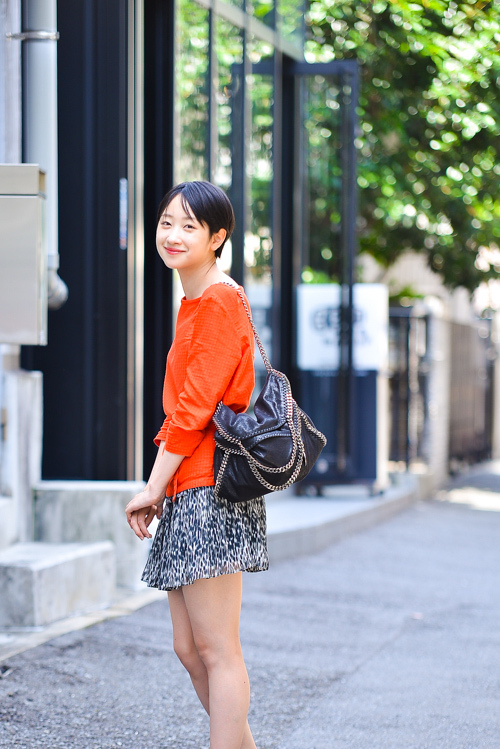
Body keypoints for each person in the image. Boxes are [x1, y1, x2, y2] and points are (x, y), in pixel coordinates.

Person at [125, 181, 269, 749]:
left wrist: (150, 487)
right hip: (188, 486)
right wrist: (163, 487)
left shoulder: (218, 300)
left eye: (189, 225)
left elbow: (193, 410)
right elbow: (184, 409)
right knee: (190, 648)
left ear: (218, 237)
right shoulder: (195, 301)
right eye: (166, 222)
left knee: (216, 649)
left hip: (212, 487)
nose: (173, 235)